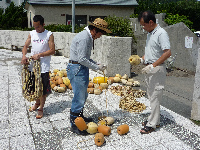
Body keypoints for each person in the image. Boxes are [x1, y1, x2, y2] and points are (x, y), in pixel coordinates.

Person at [67, 18, 111, 135]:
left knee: (83, 95)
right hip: (77, 69)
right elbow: (81, 59)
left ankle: (80, 118)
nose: (100, 36)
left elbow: (85, 58)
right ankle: (75, 124)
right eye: (101, 33)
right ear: (95, 30)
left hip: (80, 68)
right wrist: (97, 68)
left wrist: (97, 63)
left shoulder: (87, 37)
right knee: (79, 97)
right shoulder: (84, 38)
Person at [138, 11, 171, 134]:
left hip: (157, 69)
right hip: (150, 69)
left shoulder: (161, 33)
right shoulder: (150, 33)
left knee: (155, 96)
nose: (143, 27)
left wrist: (153, 65)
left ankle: (152, 124)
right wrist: (142, 59)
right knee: (151, 96)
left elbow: (167, 52)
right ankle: (154, 120)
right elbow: (151, 51)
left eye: (143, 25)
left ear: (151, 22)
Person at [21, 15, 55, 119]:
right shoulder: (32, 33)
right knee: (35, 87)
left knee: (42, 89)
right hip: (33, 66)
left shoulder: (49, 34)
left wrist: (39, 55)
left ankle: (41, 108)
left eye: (38, 27)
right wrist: (24, 56)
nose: (36, 29)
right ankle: (36, 104)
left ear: (43, 24)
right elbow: (25, 46)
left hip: (43, 66)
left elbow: (52, 50)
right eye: (35, 27)